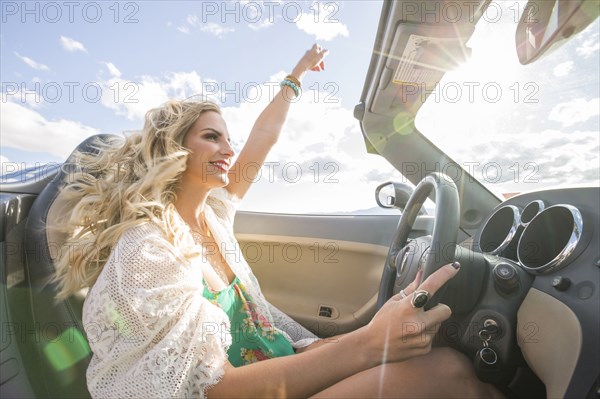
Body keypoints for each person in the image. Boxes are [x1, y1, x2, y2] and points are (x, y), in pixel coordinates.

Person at [53, 44, 502, 398]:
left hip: (277, 369)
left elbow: (263, 138)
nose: (230, 149)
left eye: (229, 137)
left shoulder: (214, 215)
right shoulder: (148, 250)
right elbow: (218, 390)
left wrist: (297, 73)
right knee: (451, 374)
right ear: (173, 147)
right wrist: (369, 343)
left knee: (443, 362)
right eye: (212, 137)